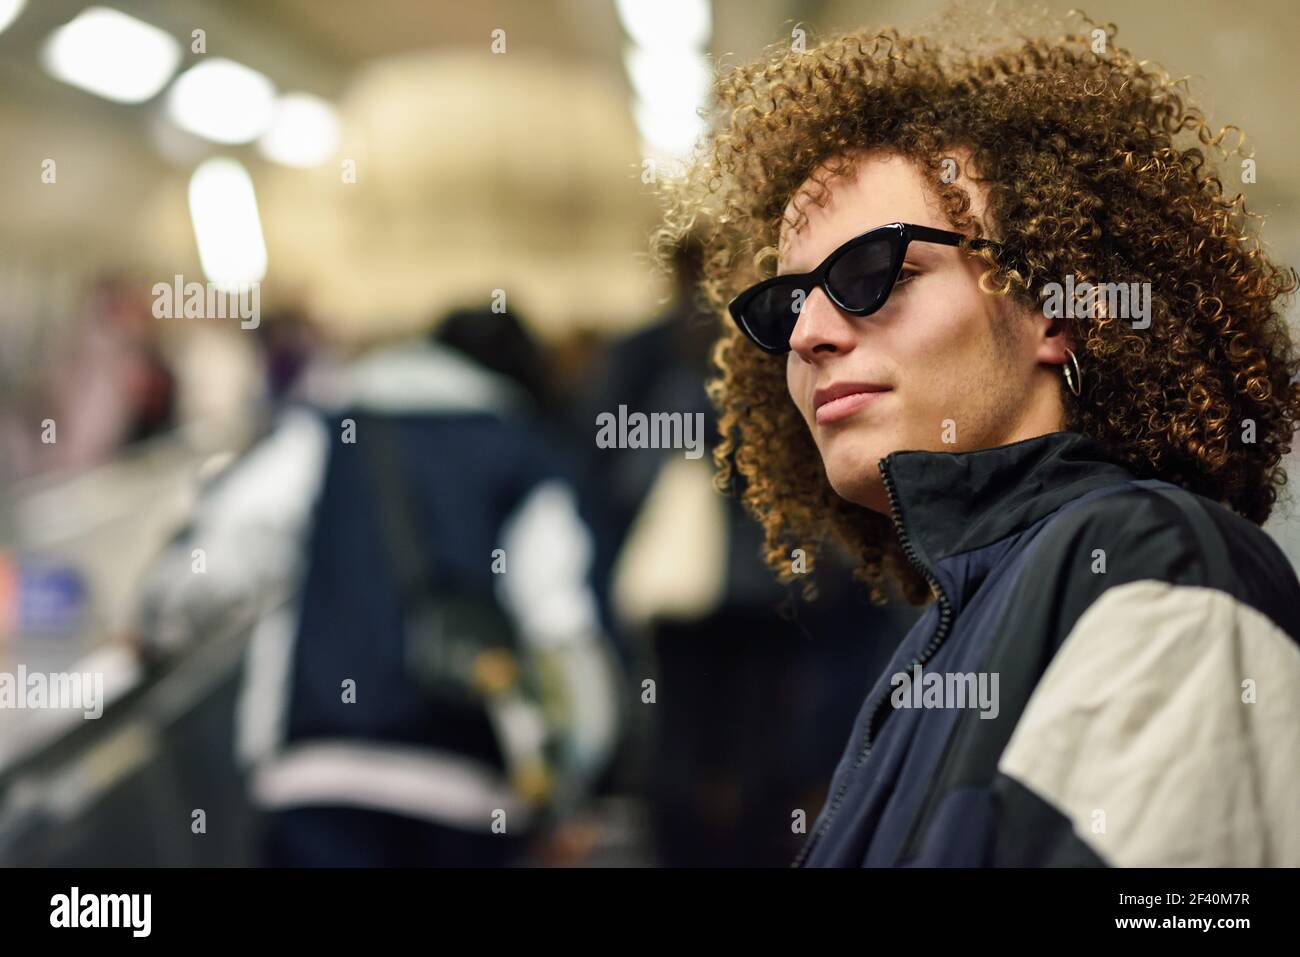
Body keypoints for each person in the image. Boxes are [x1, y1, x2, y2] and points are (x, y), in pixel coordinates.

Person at [652, 12, 1300, 866]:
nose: (809, 332)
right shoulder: (934, 638)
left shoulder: (1154, 558)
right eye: (786, 303)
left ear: (1057, 309)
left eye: (873, 273)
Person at [136, 309, 622, 866]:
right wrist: (570, 793)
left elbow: (227, 547)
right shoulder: (526, 457)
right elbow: (562, 628)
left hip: (320, 785)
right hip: (468, 801)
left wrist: (154, 622)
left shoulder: (326, 433)